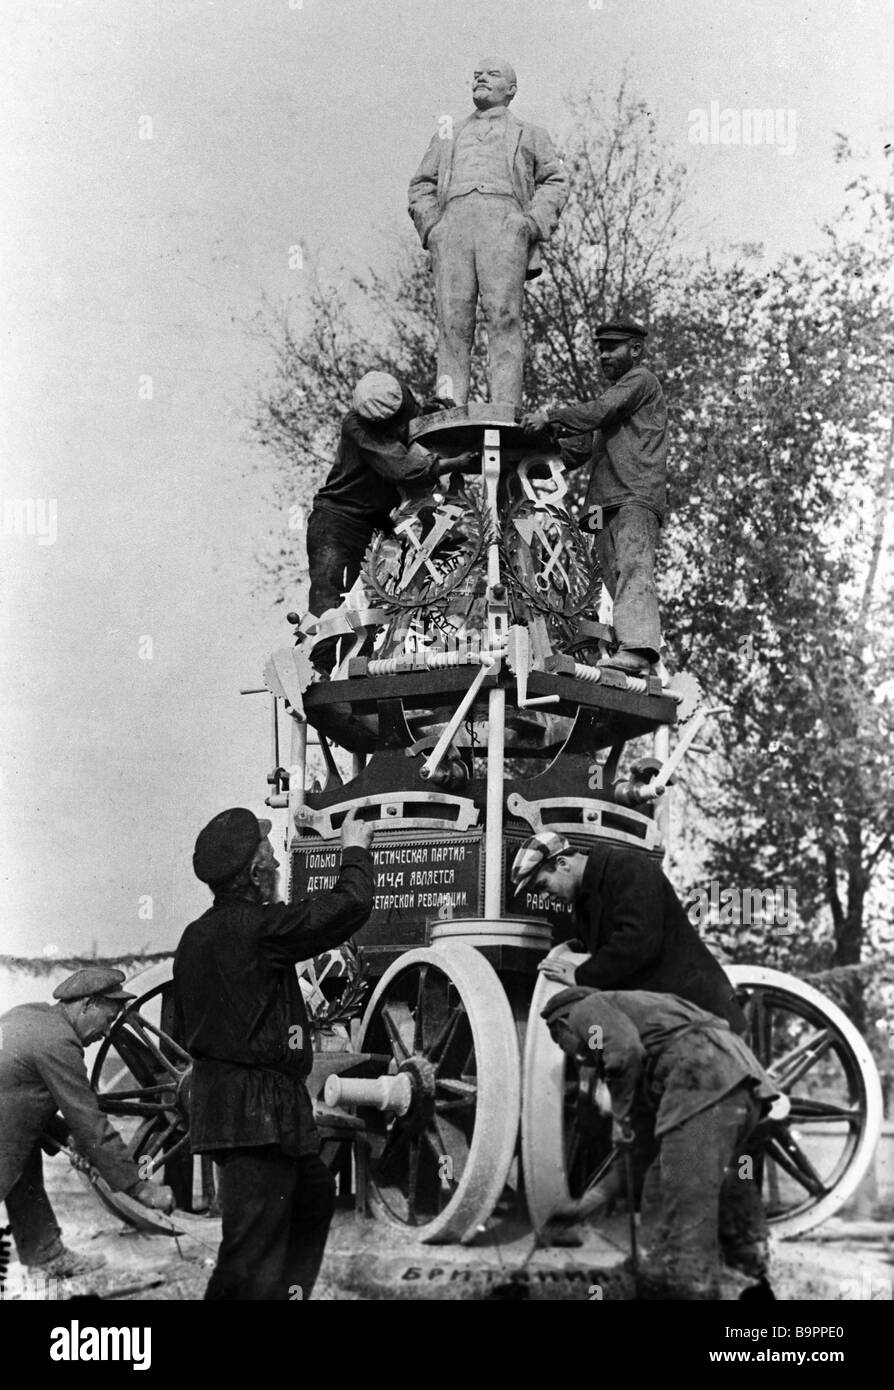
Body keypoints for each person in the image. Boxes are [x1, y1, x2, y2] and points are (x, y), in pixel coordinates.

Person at [173, 806, 375, 1301]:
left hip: (245, 1106)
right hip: (254, 1113)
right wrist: (354, 850)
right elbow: (347, 908)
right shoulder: (259, 930)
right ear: (255, 872)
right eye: (272, 859)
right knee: (250, 1256)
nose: (280, 868)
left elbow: (187, 1026)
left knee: (312, 1197)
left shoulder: (194, 938)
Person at [541, 986, 776, 1299]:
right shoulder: (649, 1038)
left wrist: (620, 1119)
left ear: (562, 1026)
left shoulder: (586, 1009)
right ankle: (672, 1271)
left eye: (563, 1044)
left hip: (701, 1078)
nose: (579, 1056)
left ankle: (690, 1286)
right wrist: (586, 1205)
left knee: (685, 1194)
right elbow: (639, 1155)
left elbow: (622, 1051)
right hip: (736, 1080)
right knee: (664, 1178)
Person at [408, 58, 568, 406]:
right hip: (453, 227)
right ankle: (448, 404)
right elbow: (421, 184)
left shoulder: (531, 134)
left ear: (511, 89)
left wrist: (530, 223)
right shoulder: (448, 134)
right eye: (476, 74)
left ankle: (505, 405)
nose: (480, 78)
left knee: (505, 316)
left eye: (491, 74)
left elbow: (554, 181)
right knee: (452, 321)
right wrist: (433, 227)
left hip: (504, 223)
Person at [0, 967, 175, 1281]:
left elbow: (18, 1099)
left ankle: (46, 1254)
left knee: (21, 1151)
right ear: (86, 1005)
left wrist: (67, 1137)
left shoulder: (28, 1015)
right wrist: (139, 1187)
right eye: (107, 1020)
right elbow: (90, 1122)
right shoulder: (60, 1044)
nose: (107, 1032)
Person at [521, 318, 668, 673]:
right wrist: (528, 455)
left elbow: (600, 411)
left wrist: (550, 416)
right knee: (605, 577)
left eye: (611, 347)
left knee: (632, 568)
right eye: (600, 348)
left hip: (633, 498)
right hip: (602, 506)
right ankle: (620, 648)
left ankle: (639, 649)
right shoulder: (615, 402)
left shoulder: (639, 381)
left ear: (635, 349)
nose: (603, 354)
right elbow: (575, 452)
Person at [306, 370, 475, 676]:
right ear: (377, 422)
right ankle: (320, 670)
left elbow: (404, 432)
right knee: (332, 599)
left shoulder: (394, 396)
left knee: (374, 600)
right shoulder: (358, 427)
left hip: (372, 524)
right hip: (337, 522)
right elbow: (403, 468)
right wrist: (453, 463)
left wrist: (426, 416)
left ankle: (360, 667)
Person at [511, 831, 745, 1032]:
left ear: (563, 864)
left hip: (703, 1014)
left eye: (542, 885)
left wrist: (581, 975)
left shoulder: (628, 867)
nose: (543, 896)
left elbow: (638, 940)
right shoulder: (586, 900)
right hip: (672, 1017)